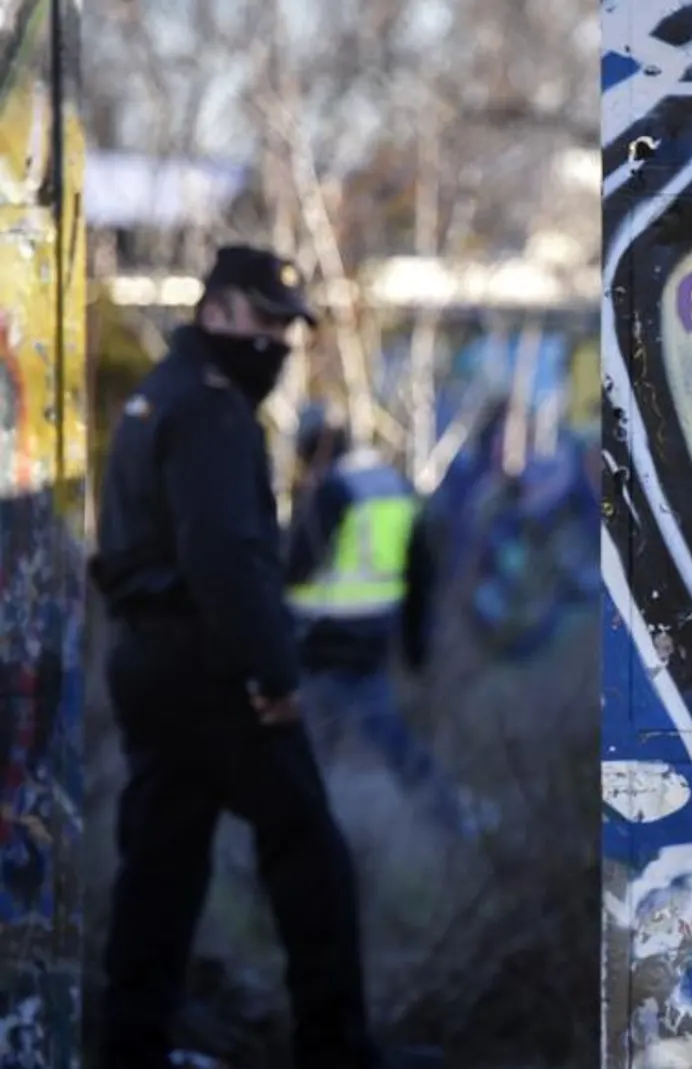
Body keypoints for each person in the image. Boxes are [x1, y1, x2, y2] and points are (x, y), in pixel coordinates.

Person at [89, 245, 384, 1069]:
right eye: (266, 320)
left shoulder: (160, 396)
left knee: (161, 865)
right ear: (214, 311)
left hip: (149, 660)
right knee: (310, 856)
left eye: (290, 325)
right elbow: (223, 557)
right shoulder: (213, 410)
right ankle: (339, 1051)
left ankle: (131, 1045)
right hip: (215, 670)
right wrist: (275, 675)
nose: (281, 342)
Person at [282, 405, 469, 835]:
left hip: (318, 638)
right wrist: (416, 646)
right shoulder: (394, 484)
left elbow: (298, 568)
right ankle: (452, 821)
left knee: (300, 746)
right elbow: (420, 572)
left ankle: (303, 835)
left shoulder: (331, 490)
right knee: (390, 739)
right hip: (373, 636)